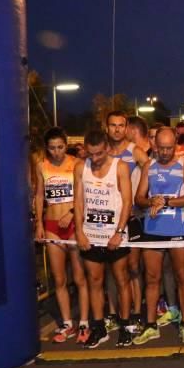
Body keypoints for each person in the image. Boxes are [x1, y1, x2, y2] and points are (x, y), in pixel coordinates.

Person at [134, 127, 184, 345]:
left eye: (169, 148)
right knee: (152, 279)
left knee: (182, 277)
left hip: (178, 229)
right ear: (154, 146)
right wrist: (151, 201)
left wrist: (167, 201)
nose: (165, 152)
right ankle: (151, 325)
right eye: (161, 148)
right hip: (153, 228)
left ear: (176, 145)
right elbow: (139, 198)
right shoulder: (149, 166)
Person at [73, 130, 134, 348]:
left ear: (107, 148)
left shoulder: (120, 167)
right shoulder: (81, 167)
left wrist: (119, 232)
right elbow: (78, 201)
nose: (95, 159)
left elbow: (127, 201)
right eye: (91, 154)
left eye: (99, 154)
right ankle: (98, 327)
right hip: (91, 232)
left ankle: (125, 325)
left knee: (121, 280)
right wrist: (79, 231)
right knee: (94, 281)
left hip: (115, 233)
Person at [34, 127, 89, 344]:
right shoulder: (41, 166)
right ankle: (67, 322)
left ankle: (84, 322)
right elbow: (39, 195)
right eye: (52, 148)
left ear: (66, 146)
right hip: (52, 225)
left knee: (79, 277)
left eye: (60, 147)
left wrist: (73, 213)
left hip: (73, 224)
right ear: (46, 148)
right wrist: (39, 223)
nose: (56, 152)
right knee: (59, 279)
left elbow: (84, 194)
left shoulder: (76, 164)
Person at [107, 112, 149, 332]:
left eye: (121, 125)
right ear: (107, 128)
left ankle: (135, 312)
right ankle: (113, 313)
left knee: (132, 267)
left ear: (126, 128)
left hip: (132, 216)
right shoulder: (102, 152)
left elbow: (150, 168)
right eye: (113, 125)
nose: (116, 129)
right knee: (112, 270)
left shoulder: (135, 151)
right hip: (107, 220)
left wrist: (140, 196)